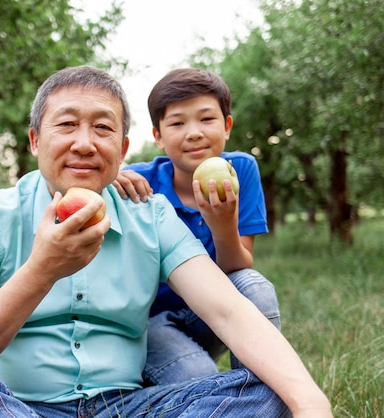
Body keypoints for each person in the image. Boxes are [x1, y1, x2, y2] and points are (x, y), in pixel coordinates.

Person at [0, 65, 332, 417]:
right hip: (18, 407)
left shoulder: (152, 215)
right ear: (35, 139)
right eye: (67, 125)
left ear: (123, 146)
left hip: (130, 407)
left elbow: (229, 312)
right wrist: (42, 270)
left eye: (103, 128)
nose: (85, 143)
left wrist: (311, 401)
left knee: (273, 392)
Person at [113, 67, 279, 384]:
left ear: (227, 126)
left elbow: (236, 266)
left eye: (206, 119)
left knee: (253, 284)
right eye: (177, 123)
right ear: (158, 136)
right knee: (197, 378)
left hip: (212, 310)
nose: (194, 133)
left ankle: (260, 391)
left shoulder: (239, 169)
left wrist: (223, 223)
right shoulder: (139, 182)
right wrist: (107, 179)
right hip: (151, 322)